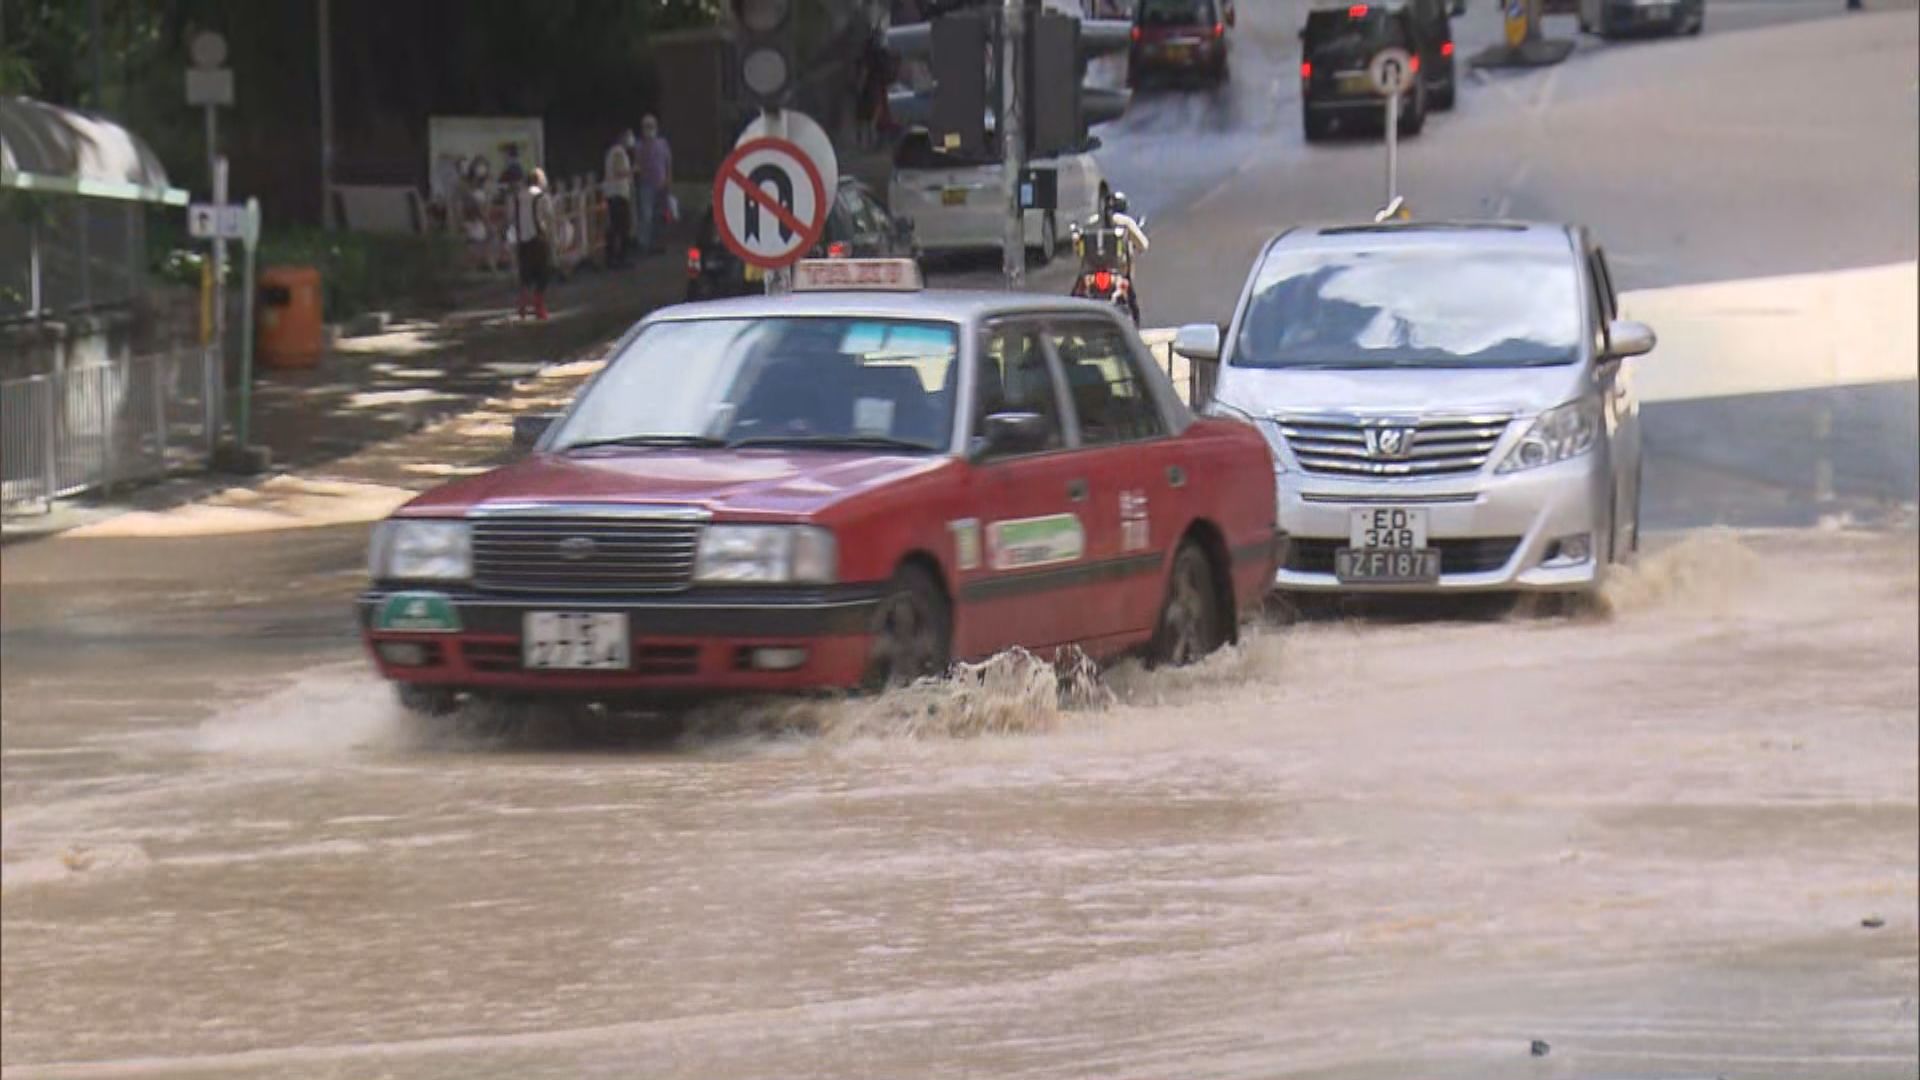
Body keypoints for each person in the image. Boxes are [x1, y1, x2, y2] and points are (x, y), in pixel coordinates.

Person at [511, 167, 556, 321]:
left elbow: (513, 217)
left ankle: (523, 303)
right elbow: (549, 217)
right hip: (538, 238)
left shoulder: (518, 197)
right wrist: (552, 237)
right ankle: (539, 305)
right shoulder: (542, 196)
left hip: (522, 239)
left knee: (525, 274)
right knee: (543, 273)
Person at [632, 114, 674, 255]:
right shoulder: (639, 145)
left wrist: (668, 179)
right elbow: (637, 164)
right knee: (646, 215)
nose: (649, 129)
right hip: (646, 185)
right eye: (646, 126)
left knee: (659, 215)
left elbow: (668, 162)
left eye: (651, 126)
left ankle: (658, 243)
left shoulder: (662, 143)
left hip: (661, 184)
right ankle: (644, 244)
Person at [603, 130, 635, 268]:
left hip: (615, 194)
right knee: (622, 227)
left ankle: (613, 257)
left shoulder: (614, 151)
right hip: (618, 194)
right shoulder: (618, 152)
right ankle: (619, 258)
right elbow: (618, 170)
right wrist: (632, 171)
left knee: (615, 227)